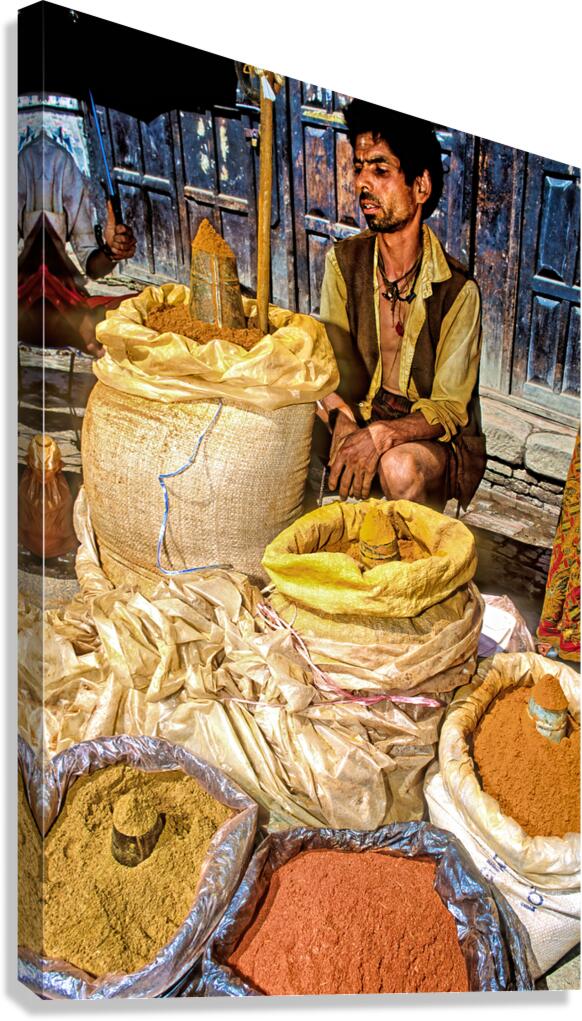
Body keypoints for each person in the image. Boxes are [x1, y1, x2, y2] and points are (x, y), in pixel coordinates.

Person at [318, 100, 486, 511]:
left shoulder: (458, 290)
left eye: (380, 170)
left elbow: (448, 409)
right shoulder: (343, 264)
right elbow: (326, 366)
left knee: (398, 467)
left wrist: (381, 436)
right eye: (359, 168)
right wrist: (341, 419)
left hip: (428, 436)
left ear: (420, 186)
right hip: (361, 410)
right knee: (285, 424)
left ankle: (411, 567)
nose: (362, 183)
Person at [18, 131, 137, 356]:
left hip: (68, 303)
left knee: (141, 308)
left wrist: (110, 251)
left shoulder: (62, 163)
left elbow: (92, 266)